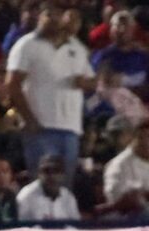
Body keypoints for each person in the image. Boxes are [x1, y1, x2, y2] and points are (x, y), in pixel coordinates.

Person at [6, 0, 95, 187]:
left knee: (64, 187)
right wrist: (29, 120)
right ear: (40, 16)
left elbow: (92, 81)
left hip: (70, 128)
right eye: (49, 14)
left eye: (57, 14)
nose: (53, 19)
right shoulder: (26, 45)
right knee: (42, 186)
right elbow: (12, 84)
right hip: (41, 127)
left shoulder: (76, 47)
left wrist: (84, 82)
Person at [16, 154, 80, 221]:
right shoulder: (26, 196)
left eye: (56, 171)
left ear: (63, 175)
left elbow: (76, 227)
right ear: (39, 174)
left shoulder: (68, 197)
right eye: (46, 171)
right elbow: (21, 228)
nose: (51, 175)